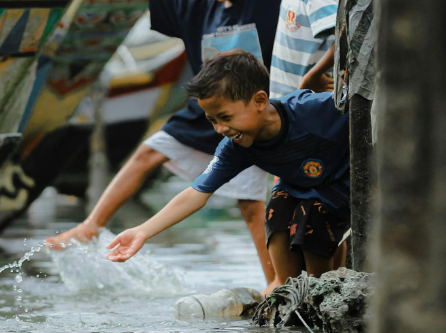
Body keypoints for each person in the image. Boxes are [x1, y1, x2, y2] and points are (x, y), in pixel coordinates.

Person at [46, 0, 289, 287]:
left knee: (251, 206)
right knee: (147, 152)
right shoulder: (197, 8)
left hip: (249, 119)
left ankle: (274, 282)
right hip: (204, 117)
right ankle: (91, 225)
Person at [106, 50, 350, 296]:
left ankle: (323, 291)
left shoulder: (313, 111)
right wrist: (143, 231)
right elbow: (197, 193)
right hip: (298, 186)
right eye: (212, 120)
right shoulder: (235, 147)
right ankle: (284, 289)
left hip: (341, 184)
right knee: (277, 214)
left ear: (259, 101)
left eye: (225, 117)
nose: (220, 128)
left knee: (312, 218)